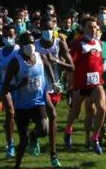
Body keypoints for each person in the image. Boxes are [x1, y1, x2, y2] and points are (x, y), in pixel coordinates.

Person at [2, 32, 50, 169]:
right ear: (21, 45)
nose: (30, 46)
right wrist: (19, 85)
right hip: (22, 106)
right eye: (27, 43)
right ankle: (17, 165)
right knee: (23, 141)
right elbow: (5, 87)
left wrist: (54, 82)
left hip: (37, 102)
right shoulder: (15, 62)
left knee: (44, 129)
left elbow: (47, 66)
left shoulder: (39, 57)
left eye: (32, 42)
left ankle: (33, 136)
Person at [64, 17, 106, 155]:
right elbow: (70, 64)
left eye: (95, 27)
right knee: (75, 113)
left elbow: (99, 62)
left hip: (96, 83)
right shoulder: (77, 43)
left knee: (102, 108)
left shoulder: (99, 43)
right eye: (90, 27)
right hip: (81, 84)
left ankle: (94, 138)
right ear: (83, 28)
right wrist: (69, 86)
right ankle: (68, 129)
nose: (93, 30)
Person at [35, 17, 73, 167]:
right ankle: (53, 155)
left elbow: (72, 67)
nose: (47, 32)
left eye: (50, 29)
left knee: (46, 123)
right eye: (44, 29)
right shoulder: (35, 45)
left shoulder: (60, 44)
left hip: (55, 87)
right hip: (39, 87)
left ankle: (33, 136)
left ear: (55, 29)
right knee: (52, 115)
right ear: (40, 29)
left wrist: (56, 60)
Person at [0, 24, 20, 158]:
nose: (8, 38)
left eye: (11, 35)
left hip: (19, 86)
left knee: (17, 116)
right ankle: (10, 145)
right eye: (5, 36)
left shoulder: (19, 50)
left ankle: (8, 125)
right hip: (4, 87)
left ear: (15, 35)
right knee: (10, 111)